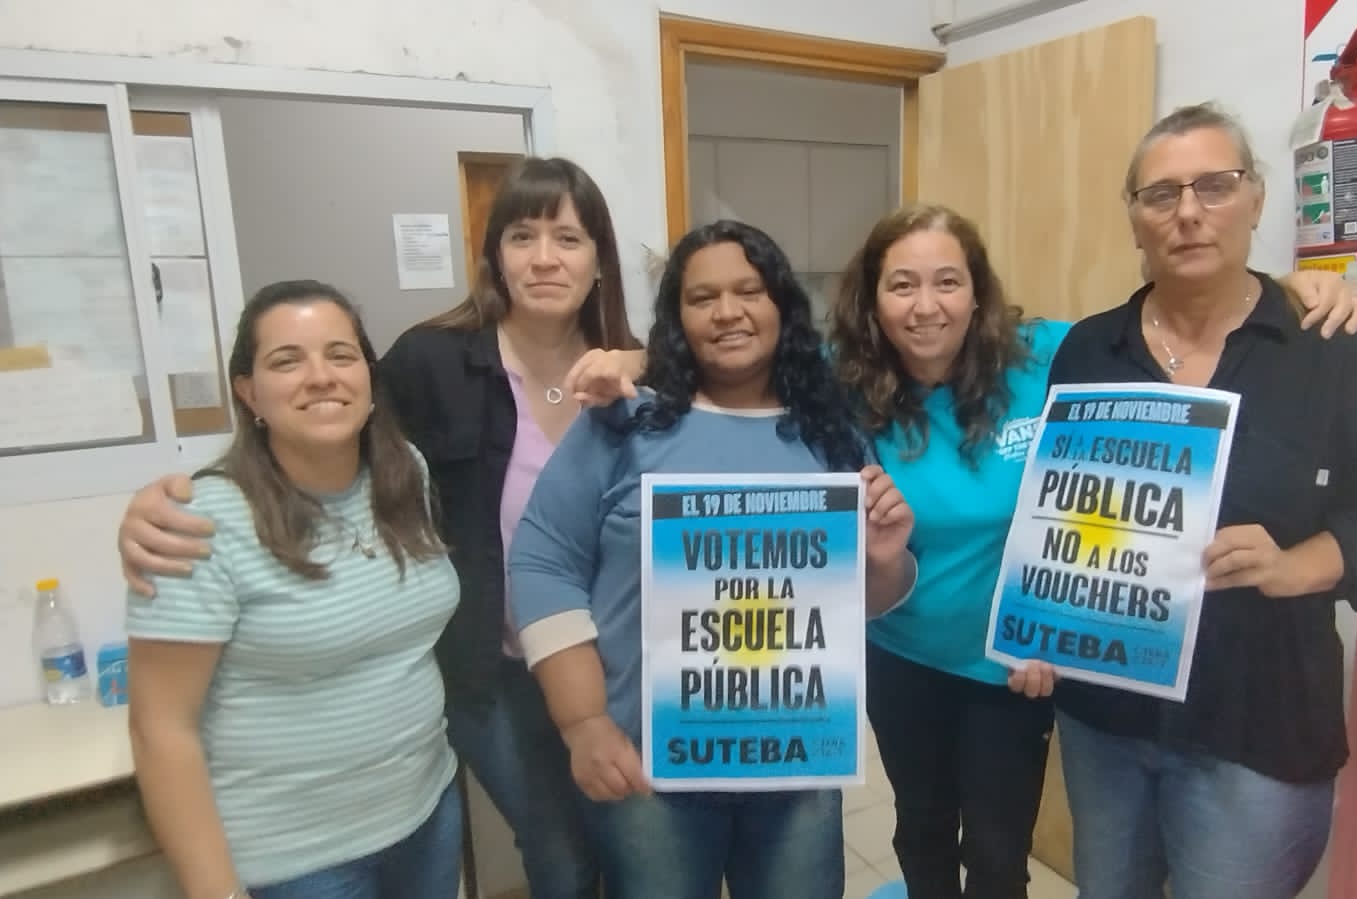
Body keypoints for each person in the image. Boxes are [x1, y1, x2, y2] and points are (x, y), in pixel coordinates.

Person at [116, 156, 641, 898]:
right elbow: (318, 425)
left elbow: (726, 385)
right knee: (561, 853)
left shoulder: (634, 374)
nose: (545, 257)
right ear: (494, 255)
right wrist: (166, 498)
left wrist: (644, 357)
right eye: (522, 236)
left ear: (600, 259)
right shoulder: (431, 361)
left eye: (569, 238)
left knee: (632, 840)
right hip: (493, 669)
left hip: (617, 662)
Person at [822, 202, 1357, 899]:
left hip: (1013, 665)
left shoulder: (1048, 354)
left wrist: (1285, 291)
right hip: (902, 651)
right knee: (921, 829)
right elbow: (748, 354)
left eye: (948, 282)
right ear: (873, 299)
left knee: (996, 851)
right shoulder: (844, 379)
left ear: (978, 292)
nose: (925, 306)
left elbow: (1165, 329)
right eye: (901, 284)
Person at [1024, 102, 1357, 899]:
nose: (1188, 212)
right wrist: (1039, 619)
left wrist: (1292, 566)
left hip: (1256, 724)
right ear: (1134, 220)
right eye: (1160, 194)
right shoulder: (1088, 350)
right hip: (1106, 717)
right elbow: (1061, 516)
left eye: (1214, 185)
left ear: (1255, 198)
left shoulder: (1327, 347)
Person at [508, 219, 917, 899]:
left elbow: (862, 600)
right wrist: (583, 723)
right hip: (649, 765)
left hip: (796, 759)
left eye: (749, 291)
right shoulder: (624, 421)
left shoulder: (832, 434)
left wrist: (882, 560)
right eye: (702, 298)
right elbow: (542, 561)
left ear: (781, 305)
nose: (728, 311)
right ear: (677, 319)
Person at [126, 280, 461, 899]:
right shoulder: (198, 522)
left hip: (425, 814)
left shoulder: (403, 475)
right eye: (287, 361)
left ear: (368, 375)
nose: (321, 377)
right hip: (296, 861)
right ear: (248, 391)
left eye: (341, 355)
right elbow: (160, 729)